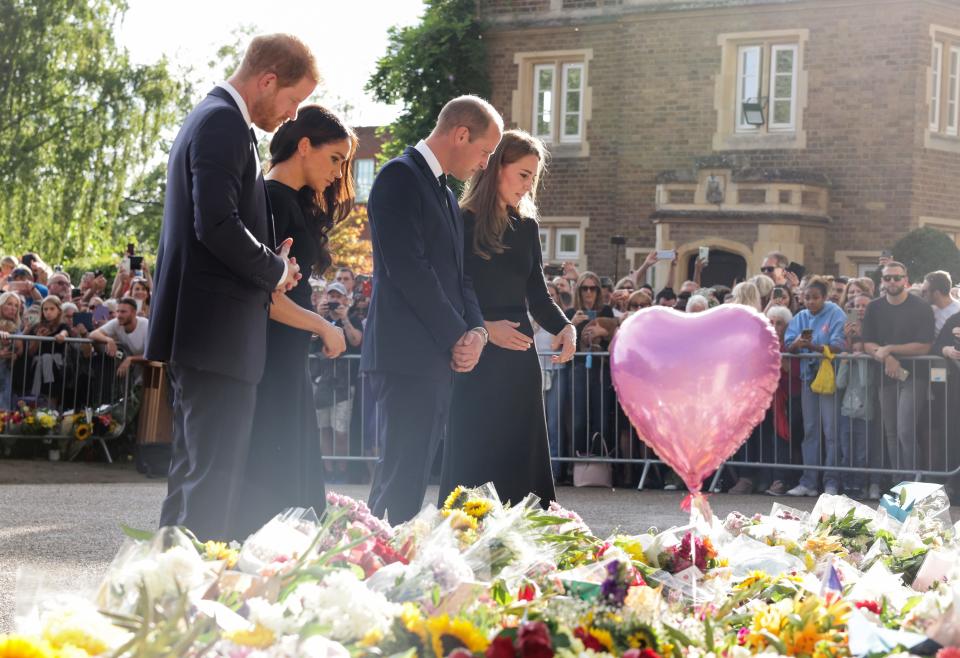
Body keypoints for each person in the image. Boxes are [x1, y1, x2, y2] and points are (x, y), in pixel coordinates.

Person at [146, 34, 319, 540]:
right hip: (216, 337)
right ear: (267, 81)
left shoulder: (212, 116)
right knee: (211, 486)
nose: (291, 116)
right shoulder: (224, 120)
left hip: (207, 334)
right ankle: (192, 602)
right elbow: (216, 223)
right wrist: (274, 270)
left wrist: (271, 259)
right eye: (292, 100)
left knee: (194, 477)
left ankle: (170, 589)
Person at [362, 95, 503, 524]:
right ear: (461, 134)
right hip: (405, 355)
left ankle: (389, 561)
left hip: (434, 356)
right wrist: (456, 334)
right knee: (399, 475)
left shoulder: (444, 192)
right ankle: (375, 562)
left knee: (413, 473)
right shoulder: (398, 178)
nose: (483, 164)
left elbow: (460, 277)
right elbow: (409, 270)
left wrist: (476, 331)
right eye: (484, 152)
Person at [232, 105, 352, 539]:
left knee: (290, 481)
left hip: (285, 358)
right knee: (275, 484)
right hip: (271, 358)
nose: (339, 173)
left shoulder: (287, 202)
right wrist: (324, 327)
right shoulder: (271, 199)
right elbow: (268, 299)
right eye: (335, 158)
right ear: (305, 146)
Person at [439, 129, 576, 507]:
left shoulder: (527, 227)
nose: (528, 185)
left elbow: (538, 294)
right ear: (497, 168)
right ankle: (466, 533)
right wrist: (483, 329)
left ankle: (529, 535)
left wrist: (565, 327)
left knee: (522, 449)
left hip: (520, 361)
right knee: (475, 449)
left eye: (533, 177)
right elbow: (453, 287)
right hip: (477, 355)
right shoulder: (460, 220)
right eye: (523, 174)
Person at [862, 262, 935, 477]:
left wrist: (890, 350)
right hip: (884, 376)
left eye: (897, 277)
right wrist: (888, 359)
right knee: (891, 433)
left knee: (905, 431)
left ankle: (912, 482)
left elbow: (925, 346)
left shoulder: (921, 306)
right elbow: (868, 343)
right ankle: (897, 481)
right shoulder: (874, 307)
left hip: (915, 376)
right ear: (881, 281)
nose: (892, 282)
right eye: (887, 278)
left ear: (905, 279)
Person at [783, 278, 847, 496]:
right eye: (806, 298)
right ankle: (809, 481)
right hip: (807, 378)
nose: (810, 302)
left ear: (825, 297)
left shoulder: (836, 313)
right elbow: (789, 346)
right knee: (810, 430)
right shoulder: (800, 316)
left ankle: (831, 481)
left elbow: (838, 345)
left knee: (831, 431)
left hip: (828, 379)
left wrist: (811, 346)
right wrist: (797, 345)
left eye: (815, 298)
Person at [923, 270, 960, 338]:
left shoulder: (957, 312)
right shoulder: (930, 310)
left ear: (936, 293)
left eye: (924, 291)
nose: (922, 294)